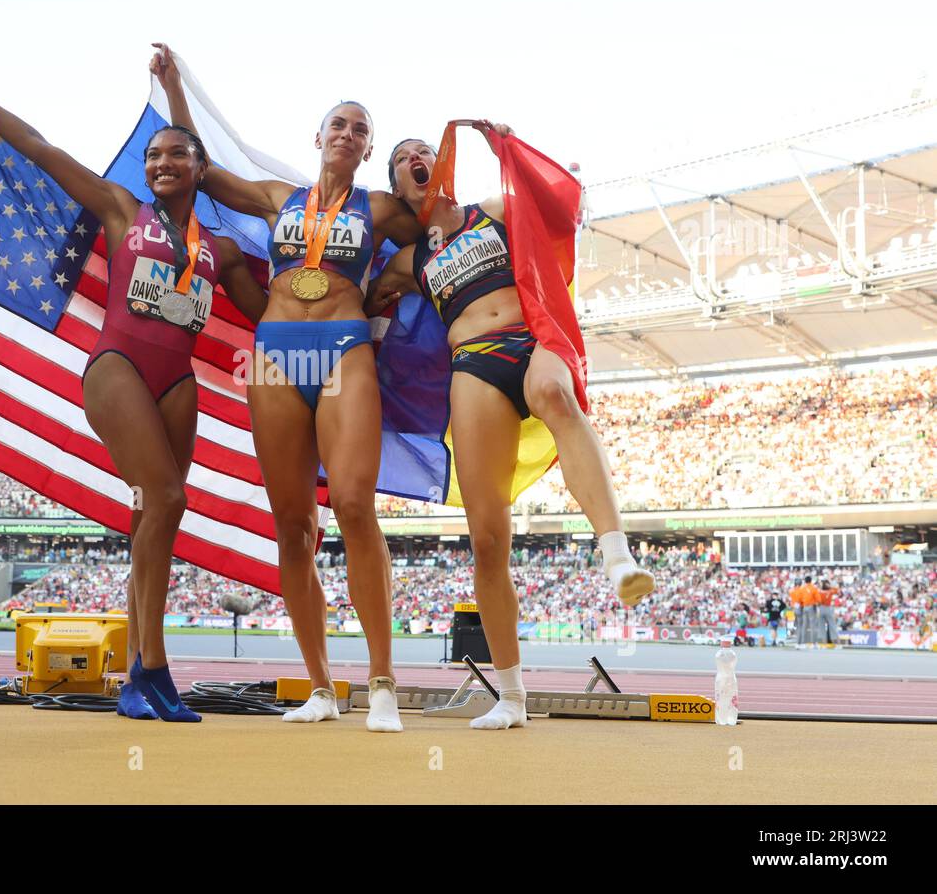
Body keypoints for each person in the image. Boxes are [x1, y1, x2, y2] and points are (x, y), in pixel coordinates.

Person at [0, 45, 267, 722]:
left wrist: (342, 318)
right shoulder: (121, 210)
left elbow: (269, 320)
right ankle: (152, 668)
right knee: (166, 497)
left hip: (178, 382)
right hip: (116, 369)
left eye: (176, 155)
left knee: (158, 517)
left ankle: (141, 678)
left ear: (201, 170)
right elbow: (36, 146)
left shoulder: (223, 252)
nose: (162, 163)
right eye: (154, 157)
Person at [152, 44, 422, 732]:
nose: (350, 134)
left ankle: (383, 683)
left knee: (356, 505)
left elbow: (436, 223)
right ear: (319, 138)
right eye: (341, 124)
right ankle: (323, 688)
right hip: (275, 355)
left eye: (362, 129)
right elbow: (202, 169)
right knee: (294, 528)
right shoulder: (279, 199)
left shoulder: (380, 207)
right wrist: (176, 86)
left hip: (343, 351)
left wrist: (422, 177)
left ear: (367, 151)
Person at [365, 124, 655, 730]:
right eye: (402, 158)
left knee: (554, 392)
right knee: (487, 539)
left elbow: (562, 204)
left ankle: (617, 555)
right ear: (396, 187)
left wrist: (506, 148)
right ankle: (514, 697)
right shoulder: (407, 261)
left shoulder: (491, 210)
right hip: (472, 362)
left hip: (533, 337)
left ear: (443, 164)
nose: (417, 157)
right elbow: (360, 296)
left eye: (424, 150)